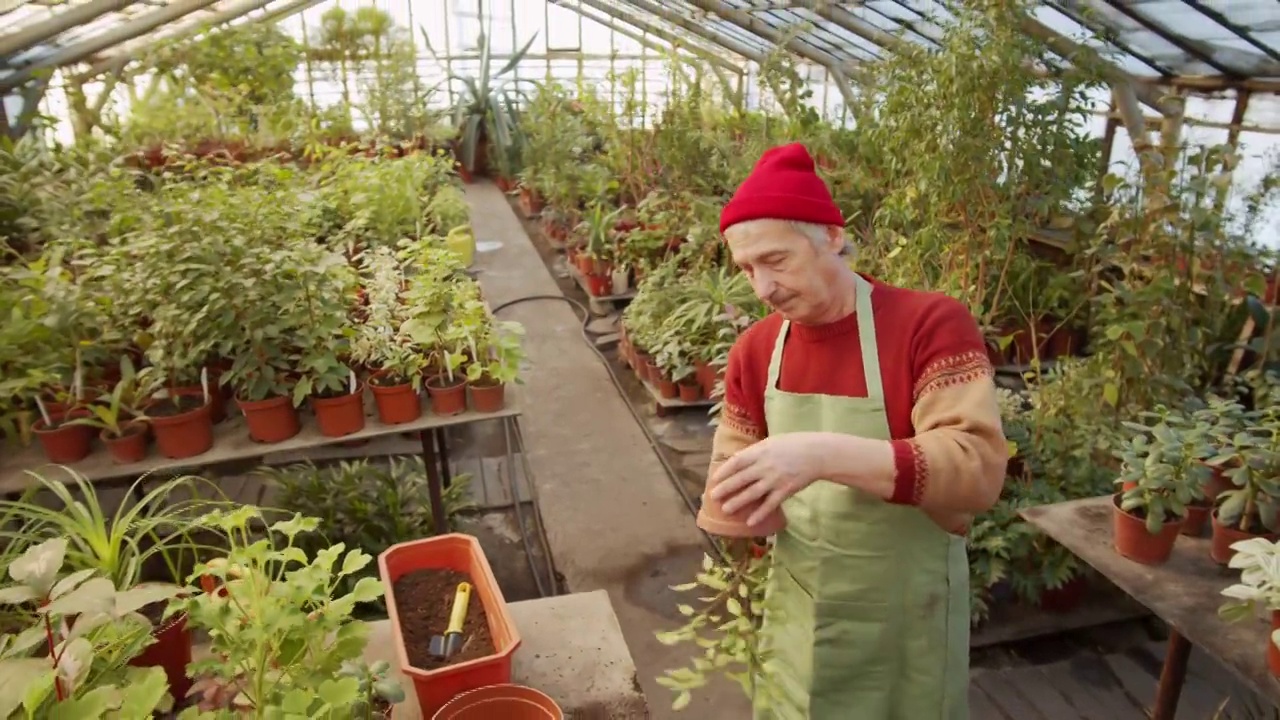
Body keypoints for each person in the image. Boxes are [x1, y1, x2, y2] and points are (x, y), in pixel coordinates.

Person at [700, 142, 1008, 720]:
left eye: (777, 261)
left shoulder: (927, 325)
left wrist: (820, 454)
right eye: (746, 269)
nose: (762, 288)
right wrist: (740, 506)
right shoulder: (757, 349)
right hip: (802, 606)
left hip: (905, 616)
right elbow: (732, 475)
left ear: (832, 238)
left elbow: (976, 468)